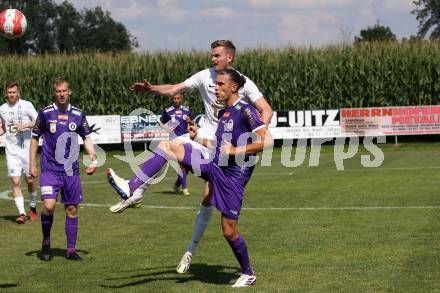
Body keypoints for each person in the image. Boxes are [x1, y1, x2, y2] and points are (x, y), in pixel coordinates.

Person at [106, 69, 274, 287]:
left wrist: (236, 150)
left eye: (221, 84)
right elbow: (218, 147)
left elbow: (267, 141)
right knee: (168, 146)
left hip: (233, 178)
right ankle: (132, 188)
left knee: (229, 230)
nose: (216, 88)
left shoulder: (246, 109)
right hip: (214, 167)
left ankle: (248, 273)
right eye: (216, 84)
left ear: (234, 87)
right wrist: (197, 138)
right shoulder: (223, 113)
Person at [29, 78, 97, 261]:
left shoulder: (78, 114)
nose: (61, 94)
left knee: (72, 209)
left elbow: (87, 138)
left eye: (64, 91)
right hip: (49, 170)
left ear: (70, 92)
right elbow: (34, 138)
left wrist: (92, 156)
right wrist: (32, 164)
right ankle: (46, 241)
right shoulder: (45, 113)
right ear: (54, 93)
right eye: (58, 91)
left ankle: (70, 250)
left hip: (71, 171)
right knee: (49, 206)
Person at [0, 81, 38, 224]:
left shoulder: (26, 105)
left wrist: (24, 125)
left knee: (29, 180)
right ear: (6, 93)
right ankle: (22, 213)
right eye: (9, 93)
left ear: (18, 93)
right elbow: (4, 127)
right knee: (15, 181)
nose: (11, 95)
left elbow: (38, 121)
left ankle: (33, 206)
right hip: (11, 151)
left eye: (14, 92)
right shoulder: (2, 108)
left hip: (27, 150)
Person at [159, 93, 193, 196]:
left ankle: (177, 185)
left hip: (186, 140)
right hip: (175, 141)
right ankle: (185, 188)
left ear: (181, 99)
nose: (176, 100)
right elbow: (160, 122)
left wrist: (190, 121)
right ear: (171, 99)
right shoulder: (168, 111)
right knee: (182, 165)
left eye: (178, 98)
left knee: (187, 166)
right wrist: (166, 128)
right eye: (174, 98)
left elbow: (192, 123)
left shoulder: (187, 110)